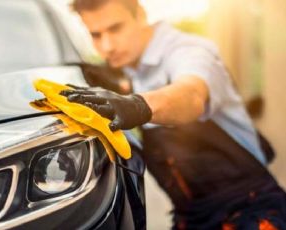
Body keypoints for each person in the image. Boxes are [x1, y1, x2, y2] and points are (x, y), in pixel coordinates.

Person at [60, 0, 286, 229]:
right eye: (96, 35)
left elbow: (191, 95)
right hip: (190, 218)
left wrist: (137, 106)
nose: (107, 46)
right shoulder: (128, 71)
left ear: (140, 14)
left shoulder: (190, 51)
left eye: (115, 28)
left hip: (251, 209)